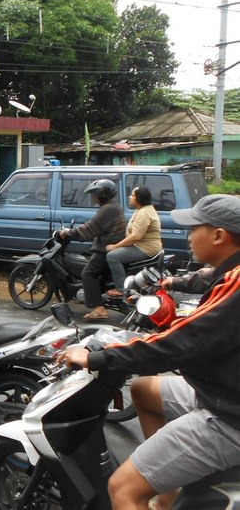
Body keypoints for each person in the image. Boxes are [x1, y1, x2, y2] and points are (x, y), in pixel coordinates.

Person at [59, 194, 240, 510]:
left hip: (229, 416)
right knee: (143, 389)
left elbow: (177, 343)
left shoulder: (235, 285)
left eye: (194, 228)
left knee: (123, 489)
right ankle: (167, 495)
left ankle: (144, 495)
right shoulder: (229, 269)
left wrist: (95, 356)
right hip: (221, 392)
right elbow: (206, 278)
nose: (188, 236)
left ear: (219, 236)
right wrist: (170, 282)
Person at [59, 179, 126, 320]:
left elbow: (90, 228)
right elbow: (93, 226)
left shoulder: (109, 209)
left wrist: (68, 232)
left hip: (106, 248)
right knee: (85, 254)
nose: (93, 197)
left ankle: (99, 309)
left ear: (104, 195)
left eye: (96, 194)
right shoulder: (112, 207)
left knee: (88, 274)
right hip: (107, 245)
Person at [105, 186, 162, 297]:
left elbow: (136, 236)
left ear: (139, 198)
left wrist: (116, 246)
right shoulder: (142, 210)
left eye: (132, 195)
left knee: (112, 256)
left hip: (145, 247)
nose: (130, 197)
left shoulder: (144, 213)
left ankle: (122, 289)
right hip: (142, 245)